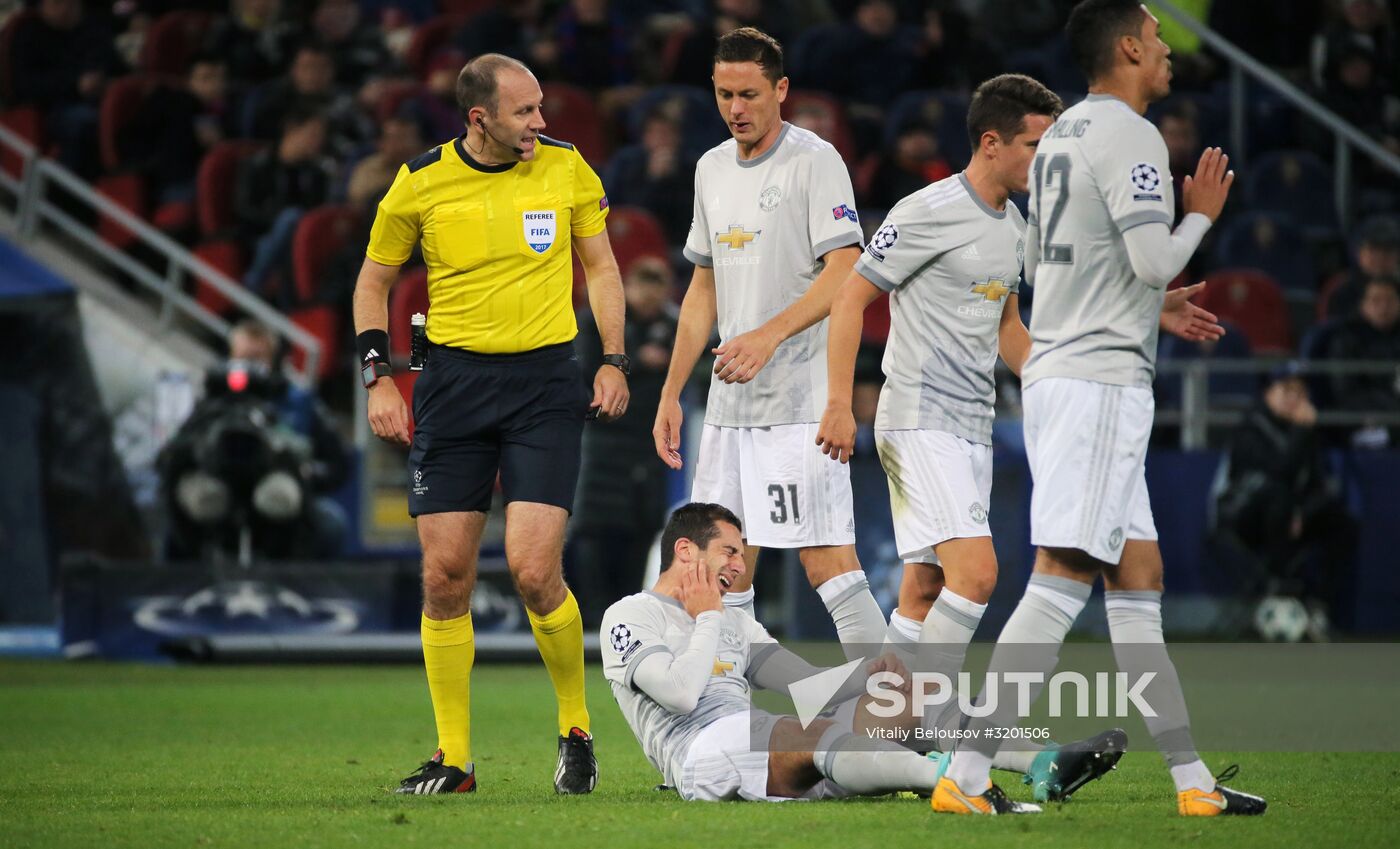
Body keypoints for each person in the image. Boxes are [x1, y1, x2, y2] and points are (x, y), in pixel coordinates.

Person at [818, 76, 1222, 796]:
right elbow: (852, 295)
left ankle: (871, 729)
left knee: (924, 590)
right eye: (1038, 144)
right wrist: (839, 403)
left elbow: (1012, 329)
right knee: (978, 575)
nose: (1049, 157)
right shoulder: (928, 210)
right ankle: (937, 753)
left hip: (972, 425)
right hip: (917, 418)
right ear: (992, 142)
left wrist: (1134, 320)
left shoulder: (1020, 226)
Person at [930, 1, 1266, 817]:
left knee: (1138, 578)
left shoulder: (1066, 135)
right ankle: (964, 777)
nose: (1166, 52)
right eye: (1156, 40)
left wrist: (1149, 308)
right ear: (1127, 47)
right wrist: (1202, 216)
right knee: (1060, 578)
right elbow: (1152, 259)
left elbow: (1072, 272)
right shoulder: (1131, 135)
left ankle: (1192, 784)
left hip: (1066, 369)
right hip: (1099, 386)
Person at [353, 53, 629, 796]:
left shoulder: (568, 168)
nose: (542, 122)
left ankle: (577, 729)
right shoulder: (421, 181)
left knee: (537, 571)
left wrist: (612, 358)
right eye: (525, 112)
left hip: (544, 382)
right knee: (445, 577)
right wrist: (377, 378)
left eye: (541, 107)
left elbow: (601, 267)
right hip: (452, 386)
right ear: (480, 118)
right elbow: (374, 278)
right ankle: (455, 758)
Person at [601, 502, 1124, 805]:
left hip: (768, 745)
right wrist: (709, 614)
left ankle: (1043, 762)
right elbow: (681, 695)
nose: (739, 566)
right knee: (809, 732)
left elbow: (804, 688)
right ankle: (951, 782)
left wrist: (867, 673)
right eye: (729, 551)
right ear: (686, 551)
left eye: (741, 553)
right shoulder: (629, 617)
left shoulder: (736, 621)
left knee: (901, 693)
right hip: (700, 758)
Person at [652, 28, 886, 655]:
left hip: (799, 403)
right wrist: (673, 390)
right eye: (724, 94)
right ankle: (736, 725)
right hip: (731, 408)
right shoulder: (710, 168)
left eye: (750, 94)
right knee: (717, 570)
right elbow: (703, 289)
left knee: (825, 562)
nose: (736, 109)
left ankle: (901, 711)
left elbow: (846, 270)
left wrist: (767, 336)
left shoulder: (815, 160)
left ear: (781, 90)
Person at [569, 257, 681, 627]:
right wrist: (638, 359)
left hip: (649, 443)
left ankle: (628, 618)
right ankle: (591, 618)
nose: (650, 297)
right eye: (643, 286)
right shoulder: (596, 321)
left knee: (643, 528)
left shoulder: (673, 325)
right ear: (628, 289)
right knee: (592, 529)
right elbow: (585, 368)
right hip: (598, 440)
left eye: (658, 288)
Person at [1216, 363, 1356, 632]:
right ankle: (1277, 589)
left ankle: (1320, 606)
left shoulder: (1307, 433)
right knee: (1277, 497)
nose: (1294, 398)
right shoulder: (1250, 429)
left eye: (1300, 391)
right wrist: (1302, 433)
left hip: (1290, 518)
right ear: (1268, 393)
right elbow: (1278, 473)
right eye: (1286, 390)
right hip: (1244, 520)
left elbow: (1318, 484)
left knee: (1341, 523)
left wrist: (1303, 512)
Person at [234, 106, 334, 303]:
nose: (317, 142)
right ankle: (252, 285)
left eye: (320, 136)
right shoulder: (257, 165)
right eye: (312, 134)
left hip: (296, 241)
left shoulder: (316, 174)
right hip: (259, 235)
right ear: (291, 131)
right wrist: (278, 219)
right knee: (290, 218)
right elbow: (243, 209)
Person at [1326, 275, 1400, 446]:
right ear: (1363, 305)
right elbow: (1345, 391)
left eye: (1390, 300)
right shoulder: (1346, 338)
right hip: (1365, 419)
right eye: (1375, 300)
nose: (1383, 307)